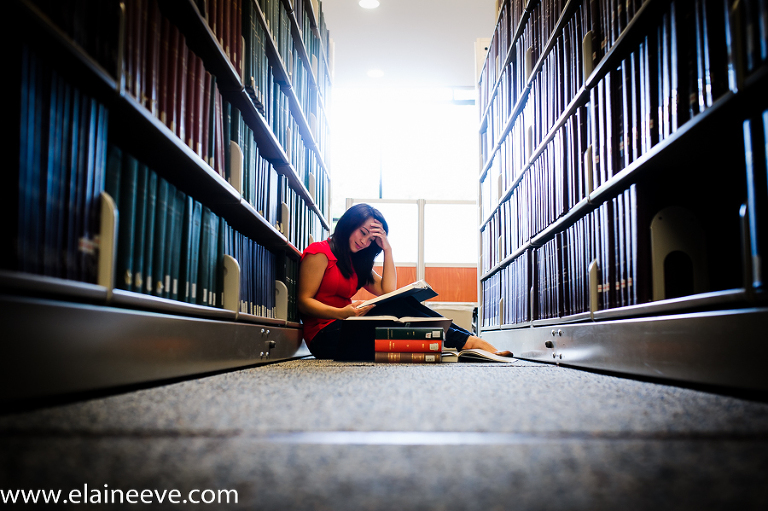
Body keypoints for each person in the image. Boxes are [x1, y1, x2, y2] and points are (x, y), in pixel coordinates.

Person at [298, 203, 501, 360]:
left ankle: (467, 340)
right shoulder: (319, 253)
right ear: (348, 225)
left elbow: (388, 291)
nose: (364, 242)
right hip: (324, 337)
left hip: (346, 327)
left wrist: (388, 249)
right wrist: (342, 313)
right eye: (363, 232)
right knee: (397, 311)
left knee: (401, 303)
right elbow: (304, 302)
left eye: (370, 239)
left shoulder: (354, 263)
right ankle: (467, 341)